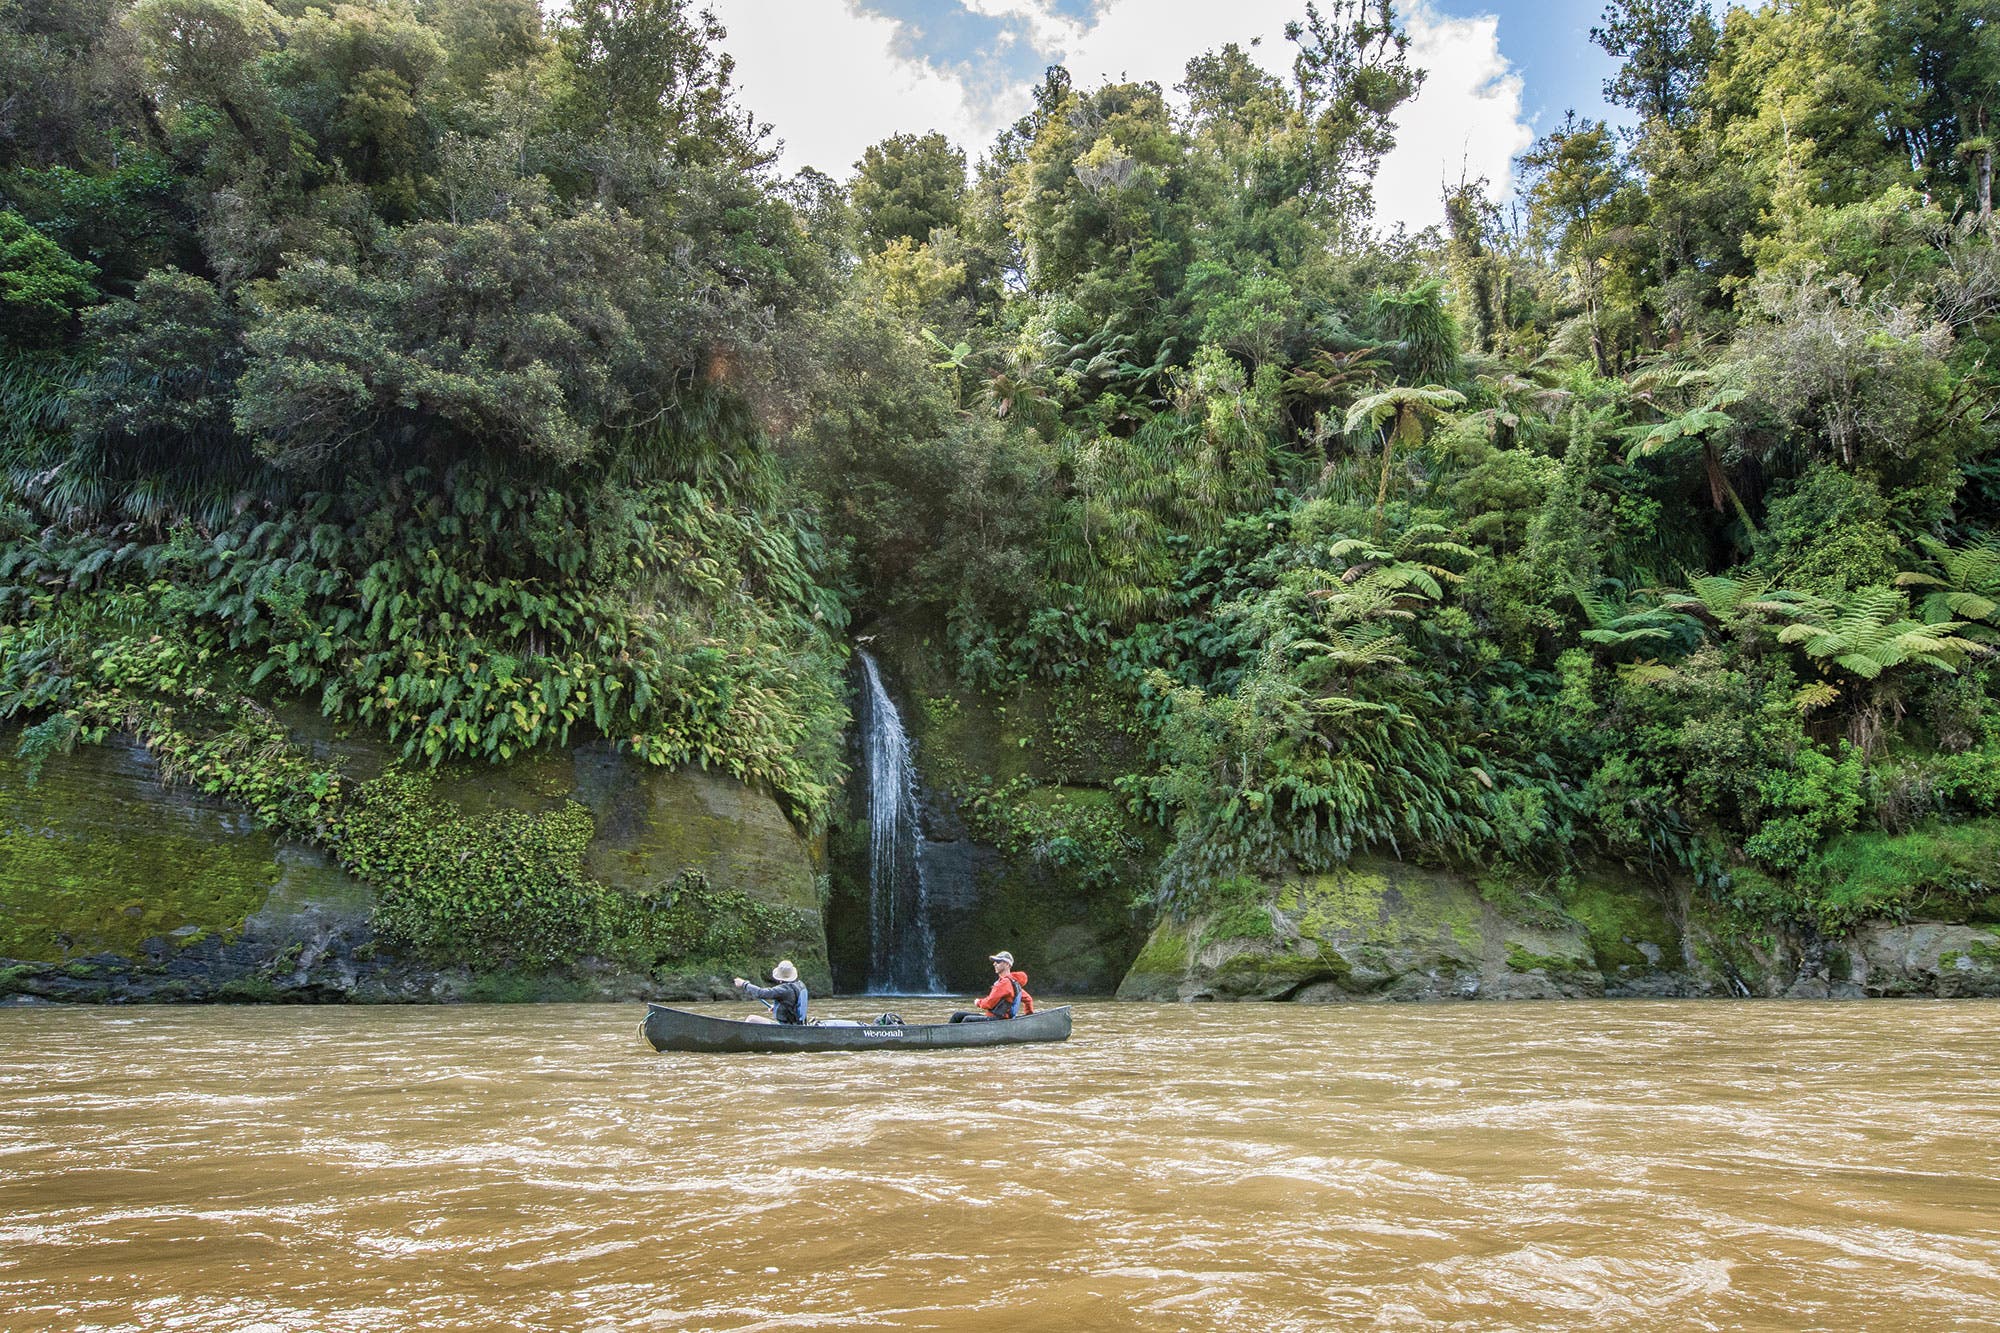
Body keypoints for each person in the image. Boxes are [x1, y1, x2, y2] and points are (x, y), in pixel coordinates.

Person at [950, 951, 1034, 1022]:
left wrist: (978, 1002)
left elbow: (989, 1004)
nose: (994, 964)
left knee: (967, 1019)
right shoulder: (1014, 983)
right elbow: (1028, 1000)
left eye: (998, 962)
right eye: (994, 962)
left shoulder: (1004, 983)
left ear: (1007, 964)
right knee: (957, 1015)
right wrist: (1029, 1017)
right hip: (997, 1018)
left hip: (996, 1019)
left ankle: (953, 1038)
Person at [733, 960, 807, 1025]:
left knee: (751, 1019)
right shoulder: (800, 985)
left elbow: (761, 993)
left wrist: (744, 984)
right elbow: (793, 1005)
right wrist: (777, 1008)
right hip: (797, 1025)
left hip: (787, 1027)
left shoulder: (783, 990)